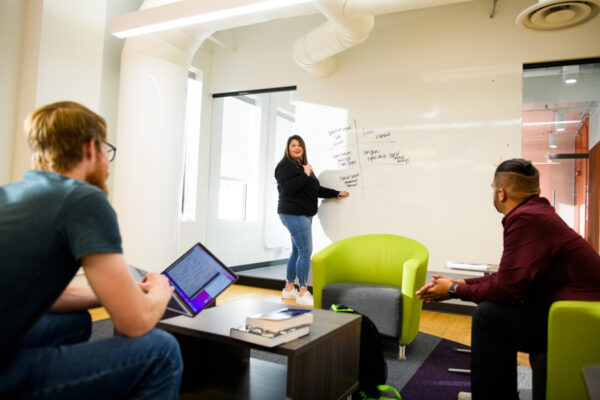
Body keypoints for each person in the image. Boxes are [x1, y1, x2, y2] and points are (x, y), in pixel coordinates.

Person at [0, 101, 183, 399]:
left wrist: (117, 291)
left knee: (76, 321)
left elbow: (47, 296)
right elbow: (133, 323)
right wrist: (161, 289)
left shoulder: (12, 193)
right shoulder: (83, 199)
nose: (107, 163)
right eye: (105, 150)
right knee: (162, 351)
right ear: (90, 149)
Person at [416, 158, 600, 400]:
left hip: (580, 319)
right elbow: (511, 277)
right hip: (572, 313)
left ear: (500, 193)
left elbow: (507, 290)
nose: (493, 193)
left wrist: (452, 290)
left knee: (489, 316)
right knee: (493, 311)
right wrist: (461, 285)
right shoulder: (537, 213)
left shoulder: (527, 218)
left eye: (493, 188)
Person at [275, 135, 349, 306]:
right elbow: (287, 189)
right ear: (288, 148)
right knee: (305, 251)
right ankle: (302, 291)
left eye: (300, 145)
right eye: (293, 145)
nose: (297, 147)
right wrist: (305, 174)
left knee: (296, 251)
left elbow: (315, 189)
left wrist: (336, 193)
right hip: (293, 213)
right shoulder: (284, 166)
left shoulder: (302, 166)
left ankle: (288, 289)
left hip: (305, 214)